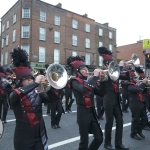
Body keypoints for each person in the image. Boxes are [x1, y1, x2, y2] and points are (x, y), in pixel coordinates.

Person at [9, 47, 50, 150]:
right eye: (26, 80)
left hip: (39, 133)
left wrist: (47, 85)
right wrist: (36, 83)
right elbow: (16, 94)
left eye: (31, 79)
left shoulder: (37, 92)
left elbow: (50, 99)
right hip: (23, 137)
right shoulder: (15, 93)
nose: (30, 81)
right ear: (20, 82)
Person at [67, 55, 107, 150]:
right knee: (84, 142)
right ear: (77, 71)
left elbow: (102, 93)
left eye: (86, 68)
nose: (86, 70)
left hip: (92, 112)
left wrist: (102, 80)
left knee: (99, 138)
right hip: (83, 113)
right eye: (83, 69)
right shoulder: (74, 81)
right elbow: (84, 89)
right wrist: (95, 77)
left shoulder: (90, 81)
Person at [98, 47, 130, 150]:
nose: (113, 64)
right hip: (108, 100)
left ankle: (118, 144)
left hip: (116, 100)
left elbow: (127, 78)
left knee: (120, 121)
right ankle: (107, 143)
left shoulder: (116, 73)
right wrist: (102, 74)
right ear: (106, 64)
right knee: (109, 122)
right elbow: (102, 83)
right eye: (111, 62)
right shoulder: (104, 74)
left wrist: (127, 69)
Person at [127, 69, 148, 140]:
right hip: (134, 104)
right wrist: (144, 83)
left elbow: (143, 90)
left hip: (141, 103)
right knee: (135, 119)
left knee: (145, 119)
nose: (136, 79)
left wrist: (145, 84)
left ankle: (139, 130)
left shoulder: (136, 84)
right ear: (131, 78)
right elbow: (138, 90)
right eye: (135, 77)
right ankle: (133, 133)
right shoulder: (129, 85)